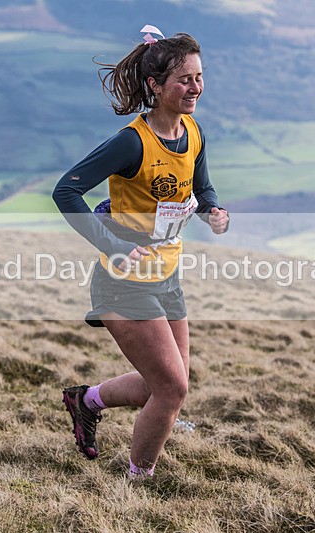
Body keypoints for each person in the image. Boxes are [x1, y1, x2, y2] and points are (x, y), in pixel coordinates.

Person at [52, 25, 229, 479]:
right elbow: (66, 192)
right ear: (155, 86)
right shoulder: (132, 142)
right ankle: (138, 483)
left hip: (167, 277)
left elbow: (200, 186)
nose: (195, 88)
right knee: (171, 389)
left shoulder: (193, 132)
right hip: (123, 282)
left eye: (199, 77)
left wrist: (212, 210)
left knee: (169, 386)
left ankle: (85, 400)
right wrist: (113, 245)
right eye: (184, 80)